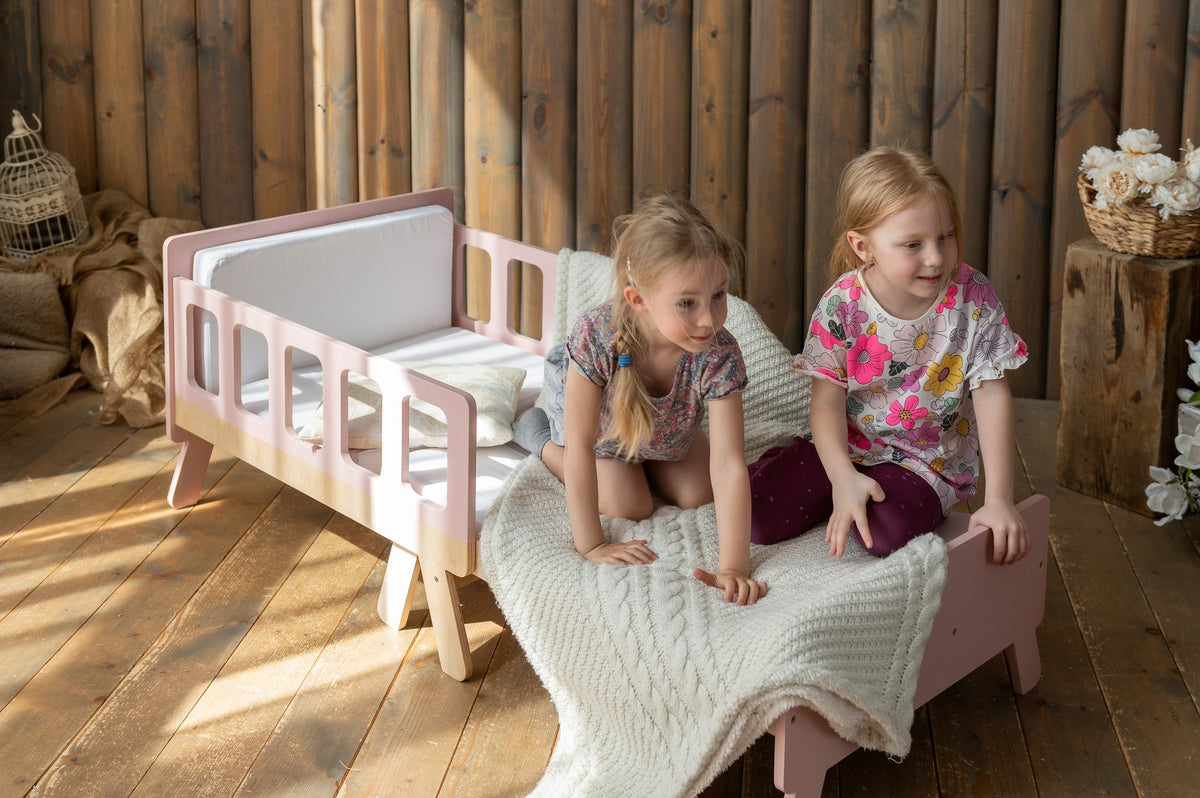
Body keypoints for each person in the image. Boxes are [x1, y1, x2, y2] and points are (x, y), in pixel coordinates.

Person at [748, 146, 1030, 564]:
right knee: (755, 516)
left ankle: (862, 489)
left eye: (945, 236)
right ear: (864, 247)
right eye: (912, 244)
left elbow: (991, 394)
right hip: (849, 442)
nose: (935, 257)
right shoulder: (842, 304)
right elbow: (827, 404)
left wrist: (1000, 500)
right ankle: (823, 475)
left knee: (882, 534)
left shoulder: (973, 296)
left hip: (923, 459)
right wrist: (842, 477)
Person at [513, 194, 767, 605]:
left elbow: (729, 463)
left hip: (664, 430)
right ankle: (538, 436)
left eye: (718, 296)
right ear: (638, 300)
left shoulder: (717, 352)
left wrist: (734, 567)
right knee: (628, 505)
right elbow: (579, 446)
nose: (708, 319)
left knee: (701, 491)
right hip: (600, 434)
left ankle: (648, 460)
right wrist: (592, 545)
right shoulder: (597, 338)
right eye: (687, 303)